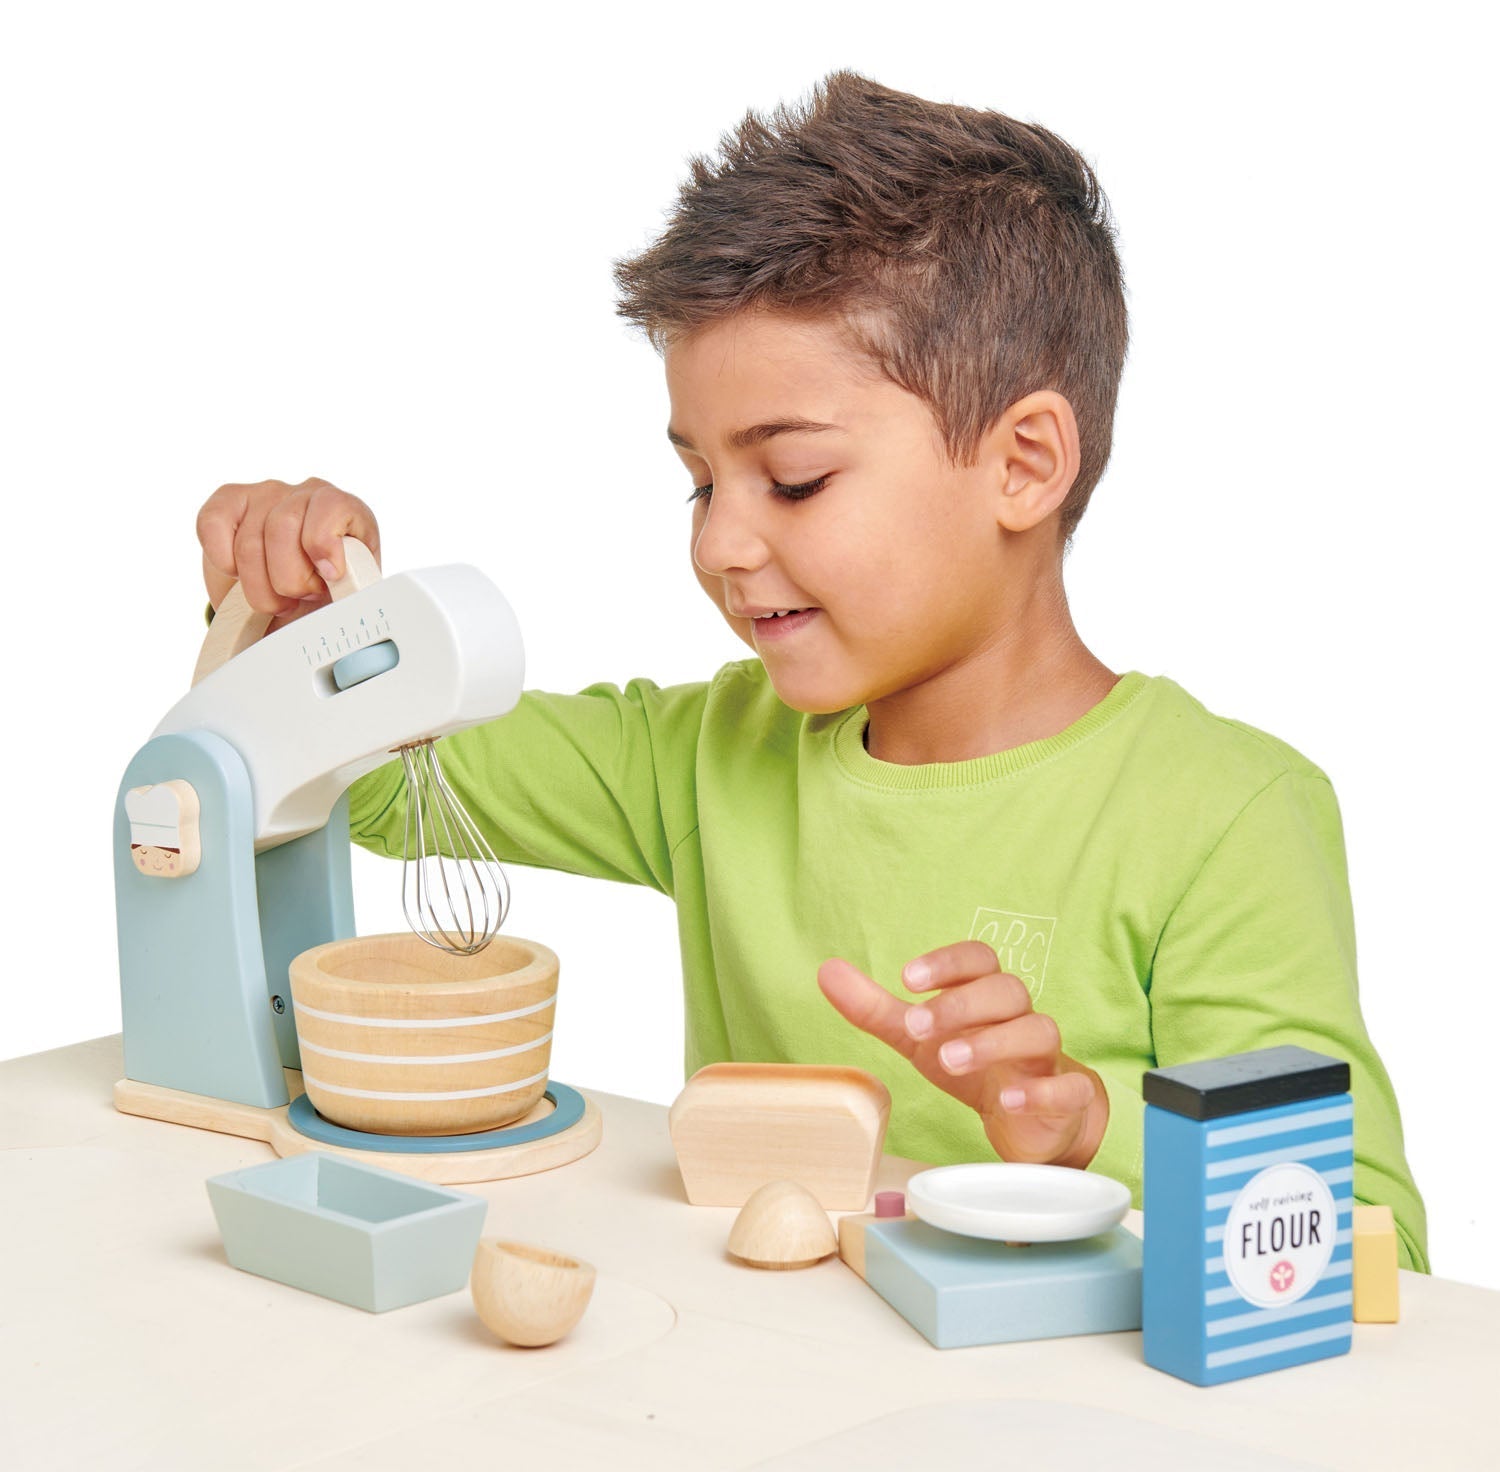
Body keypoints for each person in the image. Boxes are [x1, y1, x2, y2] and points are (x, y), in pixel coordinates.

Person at [195, 72, 1428, 1269]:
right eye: (700, 480)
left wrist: (1089, 1127)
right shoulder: (704, 757)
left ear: (1025, 462)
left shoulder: (1225, 812)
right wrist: (299, 615)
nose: (722, 542)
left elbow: (1373, 1244)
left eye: (793, 478)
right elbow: (361, 781)